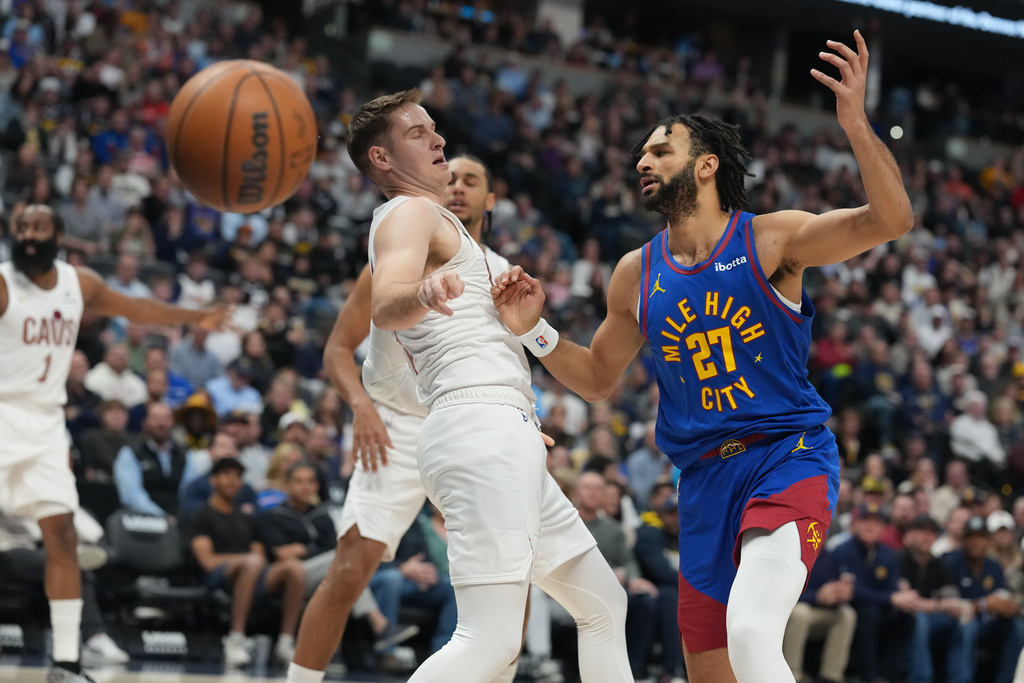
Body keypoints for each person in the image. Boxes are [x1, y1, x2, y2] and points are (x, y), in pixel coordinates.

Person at [491, 31, 913, 683]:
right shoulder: (636, 272)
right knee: (712, 672)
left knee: (750, 633)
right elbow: (600, 378)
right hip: (702, 484)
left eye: (661, 148)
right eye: (641, 152)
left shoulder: (770, 240)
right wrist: (534, 331)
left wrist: (857, 124)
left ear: (707, 163)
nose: (644, 159)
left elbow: (890, 220)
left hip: (785, 456)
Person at [348, 89, 632, 683]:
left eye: (435, 130)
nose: (439, 140)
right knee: (491, 640)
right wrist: (419, 297)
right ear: (381, 158)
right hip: (483, 431)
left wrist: (508, 404)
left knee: (606, 605)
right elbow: (386, 305)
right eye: (419, 133)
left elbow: (387, 377)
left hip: (497, 428)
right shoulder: (410, 212)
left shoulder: (468, 246)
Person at [287, 152, 547, 683]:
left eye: (472, 180)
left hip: (478, 422)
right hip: (399, 428)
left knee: (514, 576)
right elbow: (338, 348)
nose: (456, 187)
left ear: (491, 200)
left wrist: (524, 418)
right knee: (350, 569)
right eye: (450, 177)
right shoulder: (396, 254)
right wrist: (360, 407)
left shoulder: (503, 273)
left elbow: (511, 362)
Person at [0, 204, 229, 683]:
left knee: (60, 535)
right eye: (21, 227)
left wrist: (194, 317)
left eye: (38, 227)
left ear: (57, 235)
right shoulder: (5, 283)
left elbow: (137, 308)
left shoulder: (78, 284)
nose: (27, 235)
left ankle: (65, 662)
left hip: (44, 424)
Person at [188, 456, 306, 668]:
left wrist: (252, 560)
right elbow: (207, 561)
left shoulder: (246, 518)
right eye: (227, 475)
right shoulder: (201, 515)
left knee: (295, 568)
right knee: (251, 563)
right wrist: (246, 559)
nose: (233, 481)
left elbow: (259, 554)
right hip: (217, 577)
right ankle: (236, 639)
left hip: (252, 573)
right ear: (213, 480)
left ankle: (286, 642)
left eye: (238, 477)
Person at [832, 503, 919, 682]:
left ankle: (888, 676)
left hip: (880, 608)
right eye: (865, 521)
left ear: (883, 528)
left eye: (875, 522)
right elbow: (852, 592)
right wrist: (891, 597)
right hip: (849, 608)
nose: (870, 526)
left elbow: (893, 588)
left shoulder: (889, 554)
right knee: (868, 614)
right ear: (856, 524)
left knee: (907, 618)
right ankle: (868, 676)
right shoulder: (842, 551)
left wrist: (901, 597)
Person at [781, 544, 856, 683]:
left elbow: (835, 583)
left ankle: (831, 676)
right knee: (801, 612)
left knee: (847, 614)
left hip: (818, 611)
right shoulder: (791, 551)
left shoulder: (829, 555)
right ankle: (793, 676)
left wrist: (840, 594)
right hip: (789, 611)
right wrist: (817, 596)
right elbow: (780, 592)